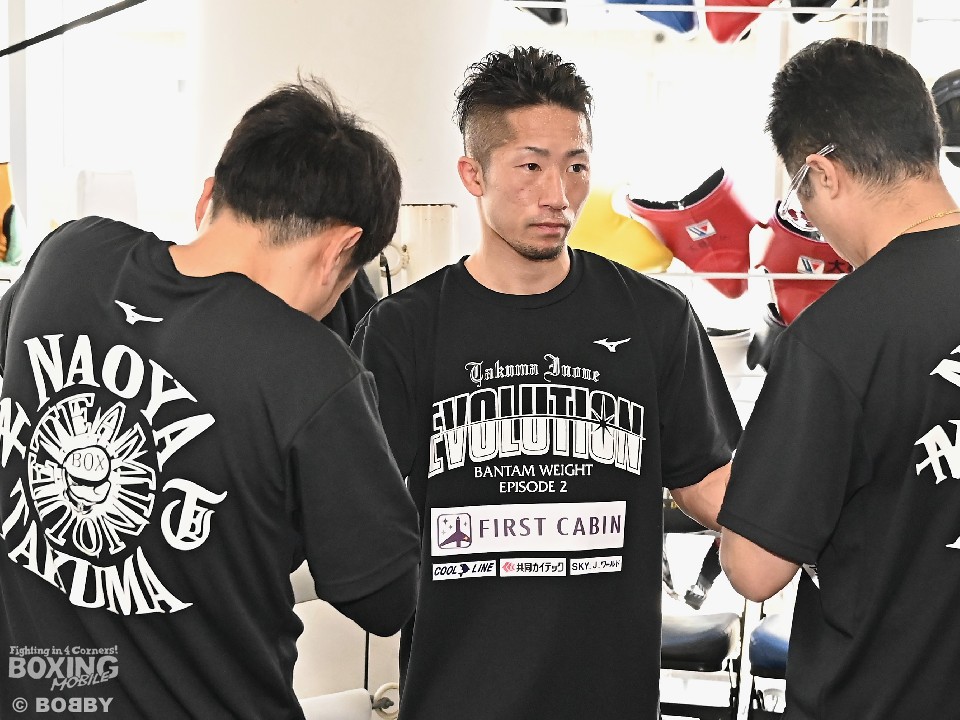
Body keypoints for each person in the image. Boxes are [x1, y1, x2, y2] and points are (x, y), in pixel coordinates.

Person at [0, 76, 421, 719]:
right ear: (342, 248)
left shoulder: (69, 255)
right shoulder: (311, 373)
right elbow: (385, 598)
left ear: (208, 196)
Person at [351, 46, 741, 719]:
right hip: (458, 697)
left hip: (607, 698)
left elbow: (710, 484)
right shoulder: (403, 331)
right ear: (473, 174)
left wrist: (842, 528)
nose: (557, 195)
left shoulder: (655, 318)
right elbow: (356, 510)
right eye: (530, 167)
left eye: (576, 167)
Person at [714, 38, 960, 719]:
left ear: (822, 173)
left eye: (804, 200)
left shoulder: (838, 336)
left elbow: (755, 569)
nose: (816, 228)